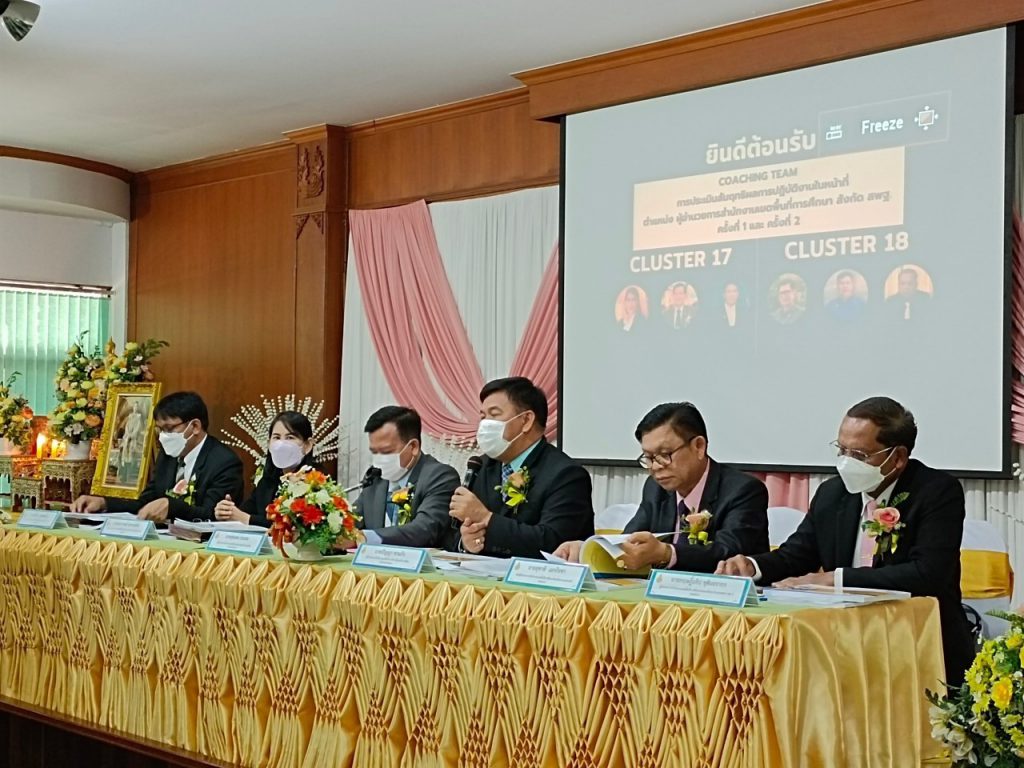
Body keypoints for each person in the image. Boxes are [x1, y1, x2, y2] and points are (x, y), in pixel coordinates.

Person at [716, 396, 974, 686]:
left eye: (860, 455)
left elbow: (927, 573)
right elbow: (796, 555)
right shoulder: (833, 493)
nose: (846, 462)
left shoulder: (937, 492)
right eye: (842, 450)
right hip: (843, 644)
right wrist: (752, 566)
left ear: (898, 457)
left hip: (918, 646)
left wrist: (834, 579)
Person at [553, 402, 768, 571]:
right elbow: (630, 540)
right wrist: (586, 550)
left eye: (664, 455)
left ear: (699, 446)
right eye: (648, 457)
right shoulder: (655, 488)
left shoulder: (743, 491)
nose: (655, 467)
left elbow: (727, 553)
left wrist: (667, 553)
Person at [449, 376, 593, 558]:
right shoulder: (483, 465)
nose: (484, 425)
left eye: (494, 415)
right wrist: (466, 542)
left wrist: (487, 519)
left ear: (526, 420)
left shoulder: (566, 475)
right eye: (483, 417)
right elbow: (453, 533)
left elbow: (552, 543)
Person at [71, 391, 243, 523]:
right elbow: (146, 503)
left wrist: (171, 506)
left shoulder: (224, 462)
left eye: (169, 428)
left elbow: (212, 515)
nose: (163, 436)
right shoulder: (168, 455)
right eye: (160, 429)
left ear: (195, 426)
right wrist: (104, 503)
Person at [351, 405, 459, 547]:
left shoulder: (440, 477)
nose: (378, 460)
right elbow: (352, 519)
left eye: (386, 451)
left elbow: (424, 530)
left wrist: (363, 538)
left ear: (413, 447)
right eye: (374, 452)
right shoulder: (375, 478)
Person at [214, 410, 319, 527]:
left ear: (307, 445)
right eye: (277, 437)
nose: (281, 444)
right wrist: (227, 512)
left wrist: (247, 519)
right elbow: (244, 513)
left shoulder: (315, 484)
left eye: (290, 437)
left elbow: (295, 526)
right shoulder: (267, 482)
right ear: (269, 444)